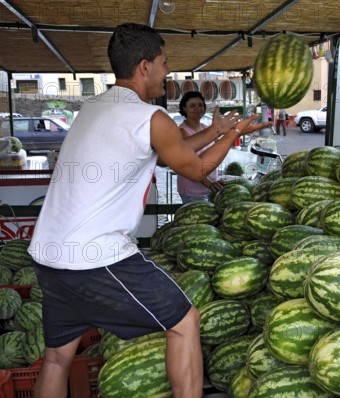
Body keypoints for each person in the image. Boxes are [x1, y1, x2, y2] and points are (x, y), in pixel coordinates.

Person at [26, 23, 270, 398]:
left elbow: (171, 150)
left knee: (58, 358)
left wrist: (217, 132)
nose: (167, 72)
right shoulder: (148, 118)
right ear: (144, 67)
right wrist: (234, 136)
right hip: (95, 257)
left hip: (49, 253)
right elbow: (197, 168)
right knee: (185, 323)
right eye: (164, 62)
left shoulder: (93, 109)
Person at [176, 91, 224, 203]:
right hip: (193, 191)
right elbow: (188, 164)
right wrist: (209, 183)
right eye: (192, 106)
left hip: (210, 188)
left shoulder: (206, 128)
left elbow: (218, 150)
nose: (198, 108)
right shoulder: (181, 132)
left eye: (200, 105)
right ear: (184, 109)